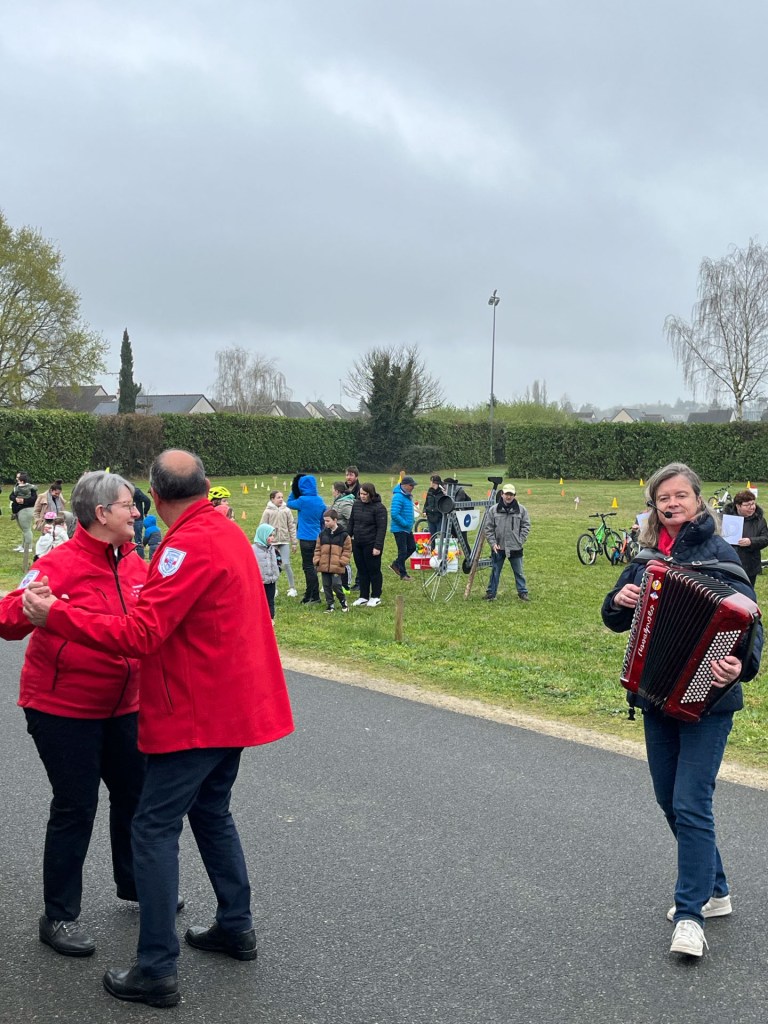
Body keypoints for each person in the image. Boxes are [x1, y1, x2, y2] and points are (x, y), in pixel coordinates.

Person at [23, 449, 294, 1008]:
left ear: (158, 496)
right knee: (208, 812)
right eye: (125, 505)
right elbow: (14, 609)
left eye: (137, 501)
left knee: (150, 827)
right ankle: (235, 925)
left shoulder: (180, 548)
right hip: (222, 707)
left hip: (197, 713)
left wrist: (60, 616)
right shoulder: (224, 532)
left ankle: (156, 968)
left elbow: (142, 634)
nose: (134, 511)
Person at [601, 462, 763, 960]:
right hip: (655, 697)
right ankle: (716, 889)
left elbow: (752, 628)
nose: (671, 504)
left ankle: (690, 916)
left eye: (680, 496)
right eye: (662, 498)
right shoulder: (646, 556)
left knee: (692, 803)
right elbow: (614, 618)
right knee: (669, 801)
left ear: (697, 499)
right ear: (654, 506)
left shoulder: (722, 557)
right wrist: (619, 599)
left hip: (708, 702)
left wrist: (739, 667)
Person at [0, 471, 147, 958]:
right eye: (128, 504)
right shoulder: (57, 563)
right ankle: (59, 916)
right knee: (76, 806)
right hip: (62, 709)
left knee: (134, 797)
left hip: (126, 706)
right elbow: (6, 618)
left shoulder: (135, 562)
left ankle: (136, 884)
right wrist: (30, 605)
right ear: (102, 513)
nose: (137, 511)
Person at [483, 484, 531, 601]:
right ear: (502, 494)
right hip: (498, 547)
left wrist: (520, 540)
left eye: (511, 494)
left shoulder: (521, 510)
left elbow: (526, 526)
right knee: (495, 571)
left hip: (515, 547)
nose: (508, 497)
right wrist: (493, 543)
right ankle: (491, 593)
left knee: (519, 571)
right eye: (506, 494)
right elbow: (488, 528)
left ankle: (522, 592)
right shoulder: (493, 510)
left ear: (514, 495)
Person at [287, 471, 326, 605]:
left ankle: (314, 596)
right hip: (317, 537)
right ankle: (309, 593)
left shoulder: (302, 501)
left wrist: (294, 489)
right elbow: (322, 518)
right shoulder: (320, 500)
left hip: (305, 538)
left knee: (308, 567)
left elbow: (289, 503)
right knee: (313, 566)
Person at [348, 482, 388, 607]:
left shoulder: (379, 508)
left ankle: (376, 596)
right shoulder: (356, 504)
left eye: (365, 494)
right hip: (357, 543)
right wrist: (347, 538)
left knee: (373, 570)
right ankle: (363, 596)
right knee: (362, 570)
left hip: (371, 544)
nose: (362, 496)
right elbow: (351, 522)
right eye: (361, 494)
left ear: (371, 494)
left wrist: (378, 546)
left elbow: (381, 529)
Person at [723, 490, 768, 588]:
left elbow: (765, 539)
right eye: (747, 505)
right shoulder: (725, 518)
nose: (752, 507)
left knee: (747, 591)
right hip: (730, 563)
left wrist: (751, 541)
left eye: (753, 503)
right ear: (738, 506)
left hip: (750, 564)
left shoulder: (760, 520)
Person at [260, 490, 298, 596]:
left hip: (284, 541)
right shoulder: (267, 511)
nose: (281, 499)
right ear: (272, 499)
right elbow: (262, 527)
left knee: (286, 563)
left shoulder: (287, 510)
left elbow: (291, 526)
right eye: (278, 497)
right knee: (274, 566)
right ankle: (274, 589)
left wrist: (294, 542)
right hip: (272, 543)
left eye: (282, 497)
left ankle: (292, 588)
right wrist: (265, 541)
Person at [313, 509, 351, 613]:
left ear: (335, 520)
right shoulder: (322, 534)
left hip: (337, 566)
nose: (325, 523)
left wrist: (342, 562)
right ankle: (330, 605)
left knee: (336, 585)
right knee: (326, 586)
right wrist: (317, 560)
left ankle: (343, 602)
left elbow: (347, 550)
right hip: (324, 565)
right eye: (324, 521)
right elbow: (317, 549)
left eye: (328, 521)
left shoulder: (344, 535)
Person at [389, 476, 418, 581]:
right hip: (400, 529)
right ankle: (403, 574)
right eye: (411, 485)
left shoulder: (407, 496)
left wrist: (411, 522)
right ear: (404, 485)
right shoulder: (398, 497)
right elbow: (394, 514)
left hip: (407, 529)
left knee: (412, 547)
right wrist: (405, 523)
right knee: (403, 551)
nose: (413, 487)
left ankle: (396, 564)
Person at [253, 522, 280, 621]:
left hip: (271, 580)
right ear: (263, 535)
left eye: (273, 535)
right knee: (259, 601)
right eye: (270, 535)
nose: (272, 538)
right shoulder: (253, 549)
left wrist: (277, 571)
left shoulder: (272, 549)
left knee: (270, 601)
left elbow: (278, 560)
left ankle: (270, 619)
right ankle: (259, 619)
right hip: (260, 581)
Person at [10, 472, 37, 554]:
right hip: (18, 509)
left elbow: (34, 499)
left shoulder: (31, 488)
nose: (16, 479)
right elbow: (11, 496)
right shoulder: (17, 486)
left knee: (26, 529)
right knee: (24, 530)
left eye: (18, 478)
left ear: (22, 479)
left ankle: (28, 547)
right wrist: (16, 499)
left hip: (26, 510)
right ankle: (23, 546)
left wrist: (23, 501)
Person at [132, 486, 152, 551]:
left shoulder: (123, 491)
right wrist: (145, 512)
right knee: (138, 542)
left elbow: (147, 501)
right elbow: (147, 500)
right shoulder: (136, 491)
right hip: (138, 519)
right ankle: (139, 556)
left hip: (129, 519)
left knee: (126, 542)